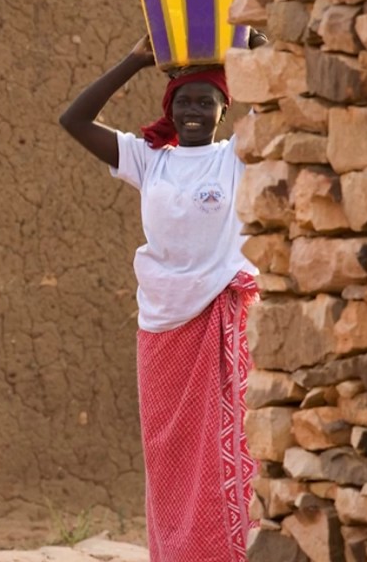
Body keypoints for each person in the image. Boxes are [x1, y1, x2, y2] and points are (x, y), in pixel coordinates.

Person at [57, 35, 263, 562]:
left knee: (229, 447)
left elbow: (286, 106)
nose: (193, 111)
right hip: (162, 325)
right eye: (183, 102)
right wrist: (134, 60)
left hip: (223, 315)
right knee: (169, 452)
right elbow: (74, 121)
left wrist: (258, 55)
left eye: (205, 102)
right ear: (169, 107)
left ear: (224, 109)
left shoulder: (238, 156)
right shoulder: (150, 160)